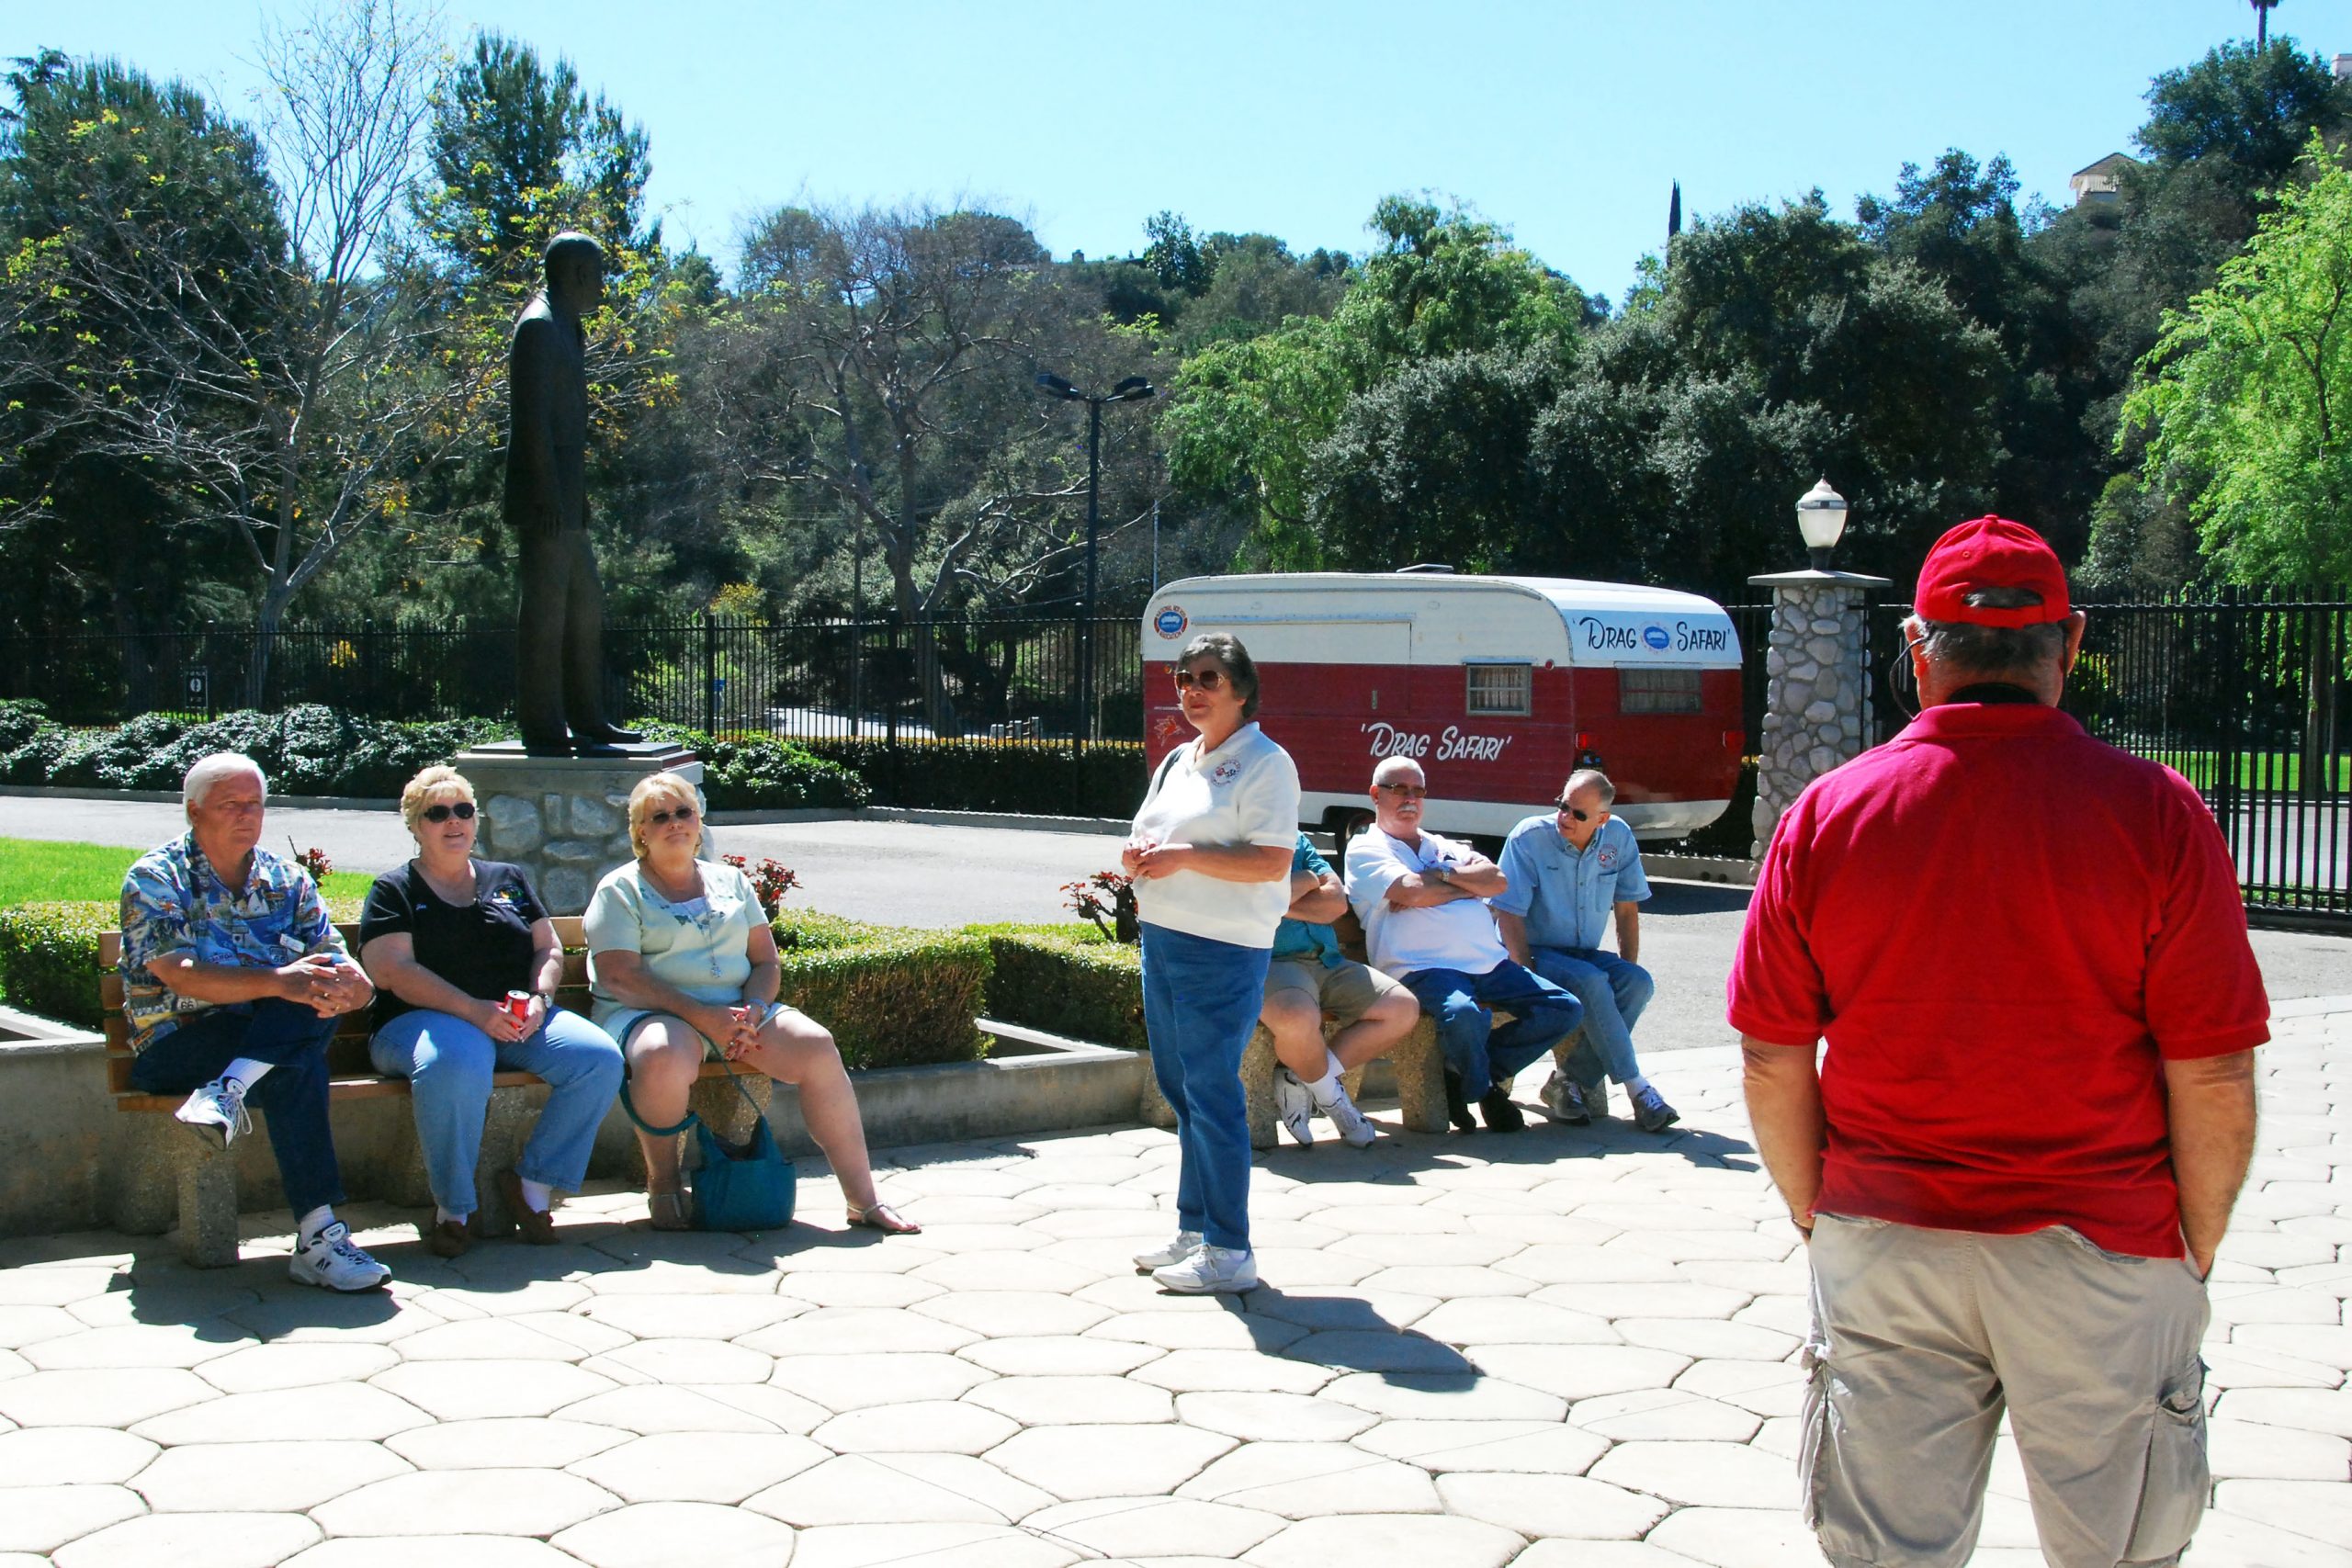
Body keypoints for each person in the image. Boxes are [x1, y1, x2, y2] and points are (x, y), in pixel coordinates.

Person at [1730, 516, 2267, 1568]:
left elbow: (1768, 1054)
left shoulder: (1828, 815)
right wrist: (2191, 1248)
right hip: (2102, 1245)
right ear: (2066, 646)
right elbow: (2210, 1066)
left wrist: (1817, 1213)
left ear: (1917, 650)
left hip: (1885, 1237)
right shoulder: (2156, 813)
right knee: (2120, 1551)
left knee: (1890, 1554)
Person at [583, 772, 916, 1235]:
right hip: (648, 1012)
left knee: (816, 1045)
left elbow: (766, 963)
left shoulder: (732, 882)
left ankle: (863, 1200)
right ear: (640, 830)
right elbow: (622, 975)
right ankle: (662, 1185)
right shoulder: (619, 889)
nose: (674, 823)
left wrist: (754, 1012)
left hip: (740, 1013)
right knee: (661, 1056)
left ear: (699, 821)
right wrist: (704, 1017)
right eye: (660, 817)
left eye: (684, 812)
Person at [119, 752, 390, 1292]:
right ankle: (319, 1240)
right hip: (177, 1043)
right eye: (231, 805)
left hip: (256, 1040)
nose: (247, 815)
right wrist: (280, 982)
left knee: (301, 1025)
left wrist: (357, 986)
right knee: (298, 1054)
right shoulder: (156, 877)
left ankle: (229, 1089)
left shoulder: (286, 880)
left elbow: (333, 957)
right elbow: (181, 975)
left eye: (256, 804)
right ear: (195, 812)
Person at [358, 766, 626, 1257]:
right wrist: (473, 1010)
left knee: (599, 1059)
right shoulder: (394, 890)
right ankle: (455, 1210)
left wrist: (540, 1001)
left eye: (463, 810)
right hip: (417, 1025)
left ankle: (532, 1187)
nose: (453, 821)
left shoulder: (509, 879)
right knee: (457, 1060)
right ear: (415, 826)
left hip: (511, 1019)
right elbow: (391, 970)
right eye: (436, 813)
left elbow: (547, 948)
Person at [1125, 633, 1300, 1292]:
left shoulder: (1266, 763)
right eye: (1182, 678)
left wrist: (1184, 858)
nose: (1191, 690)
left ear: (1243, 690)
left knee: (1214, 1091)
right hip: (1164, 936)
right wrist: (1139, 857)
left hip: (1223, 947)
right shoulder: (1177, 759)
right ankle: (1195, 1228)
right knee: (1182, 1089)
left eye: (1208, 678)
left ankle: (1231, 1249)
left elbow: (1272, 861)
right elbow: (1152, 833)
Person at [1343, 757, 1582, 1134]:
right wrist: (1464, 888)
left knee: (1564, 1009)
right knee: (1464, 1014)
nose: (1410, 799)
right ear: (1375, 794)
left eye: (1418, 791)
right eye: (1399, 789)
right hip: (1421, 967)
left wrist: (1440, 876)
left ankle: (1467, 1075)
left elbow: (1498, 881)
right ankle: (1486, 1091)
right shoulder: (1366, 848)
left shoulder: (1443, 846)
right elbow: (1409, 891)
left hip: (1489, 964)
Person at [505, 230, 639, 755]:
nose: (602, 287)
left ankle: (588, 718)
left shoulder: (568, 327)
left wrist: (575, 496)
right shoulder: (538, 327)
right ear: (577, 274)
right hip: (544, 500)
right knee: (546, 612)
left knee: (585, 605)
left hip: (566, 496)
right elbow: (532, 423)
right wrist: (547, 497)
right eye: (598, 275)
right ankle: (543, 725)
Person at [1494, 769, 1678, 1133]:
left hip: (1583, 952)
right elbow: (1508, 911)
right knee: (1593, 982)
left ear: (1602, 818)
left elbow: (1627, 908)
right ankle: (1638, 1089)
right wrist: (1525, 972)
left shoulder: (1619, 837)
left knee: (1638, 983)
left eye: (1578, 814)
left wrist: (1627, 970)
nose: (1565, 817)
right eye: (1563, 806)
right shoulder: (1529, 837)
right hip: (1534, 951)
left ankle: (1567, 1081)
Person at [1264, 830, 1419, 1147]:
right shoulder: (1232, 838)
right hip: (1273, 962)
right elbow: (1245, 901)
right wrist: (1308, 881)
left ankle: (1301, 1080)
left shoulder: (1295, 839)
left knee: (1402, 1007)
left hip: (1328, 960)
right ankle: (1334, 1100)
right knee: (1296, 1018)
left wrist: (1276, 902)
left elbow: (1334, 904)